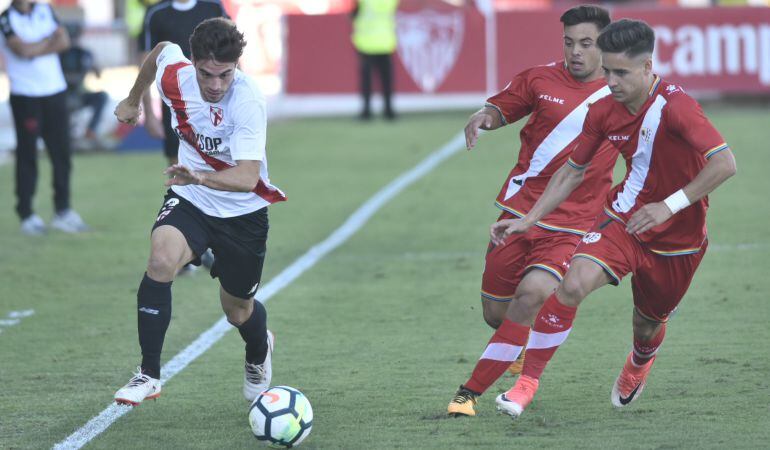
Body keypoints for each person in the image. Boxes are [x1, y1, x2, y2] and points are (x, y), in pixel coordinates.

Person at [487, 19, 736, 418]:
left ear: (648, 67)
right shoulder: (603, 109)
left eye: (621, 72)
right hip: (623, 220)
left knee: (646, 325)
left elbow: (725, 163)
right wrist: (529, 218)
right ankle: (526, 383)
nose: (611, 80)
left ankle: (639, 362)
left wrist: (668, 206)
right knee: (572, 285)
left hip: (678, 239)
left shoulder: (677, 108)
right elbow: (573, 170)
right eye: (607, 70)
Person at [447, 5, 614, 417]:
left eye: (586, 44)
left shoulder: (621, 94)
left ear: (605, 46)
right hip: (517, 212)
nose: (576, 52)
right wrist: (482, 118)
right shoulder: (540, 78)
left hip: (573, 224)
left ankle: (468, 395)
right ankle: (519, 344)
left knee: (533, 295)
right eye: (569, 43)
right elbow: (500, 109)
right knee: (496, 314)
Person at [112, 17, 287, 405]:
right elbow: (158, 53)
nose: (215, 85)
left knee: (237, 310)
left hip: (242, 212)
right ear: (193, 63)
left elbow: (245, 176)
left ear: (236, 67)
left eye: (224, 75)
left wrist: (200, 177)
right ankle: (148, 375)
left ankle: (260, 350)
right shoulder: (175, 74)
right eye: (206, 74)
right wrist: (133, 98)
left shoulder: (248, 99)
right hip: (192, 200)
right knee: (160, 260)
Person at [0, 0, 90, 235]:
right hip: (26, 95)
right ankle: (26, 213)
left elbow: (63, 41)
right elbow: (21, 50)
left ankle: (63, 210)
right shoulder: (6, 19)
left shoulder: (45, 10)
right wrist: (46, 42)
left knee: (61, 153)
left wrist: (35, 49)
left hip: (55, 91)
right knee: (27, 154)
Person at [139, 0, 228, 166]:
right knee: (179, 168)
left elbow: (232, 54)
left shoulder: (214, 7)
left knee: (219, 165)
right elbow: (146, 66)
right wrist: (149, 114)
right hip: (175, 105)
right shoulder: (156, 13)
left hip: (213, 102)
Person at [59, 23, 109, 151]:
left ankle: (90, 132)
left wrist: (92, 64)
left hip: (79, 95)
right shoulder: (59, 55)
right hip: (62, 96)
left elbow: (98, 73)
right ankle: (64, 138)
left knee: (102, 97)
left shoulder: (84, 54)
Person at [351, 0, 398, 120]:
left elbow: (354, 14)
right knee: (387, 80)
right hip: (386, 42)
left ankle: (366, 112)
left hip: (366, 44)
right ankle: (389, 111)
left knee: (366, 81)